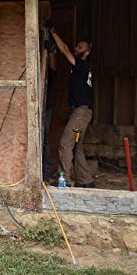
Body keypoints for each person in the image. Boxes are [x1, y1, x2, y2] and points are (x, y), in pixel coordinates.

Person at [46, 19, 96, 188]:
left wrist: (53, 32)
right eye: (77, 47)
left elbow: (65, 50)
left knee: (65, 143)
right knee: (76, 147)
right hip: (83, 112)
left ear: (87, 52)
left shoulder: (82, 65)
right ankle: (86, 180)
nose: (76, 49)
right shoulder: (82, 68)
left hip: (81, 113)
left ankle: (63, 180)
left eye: (80, 48)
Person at [42, 37, 58, 182]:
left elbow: (53, 67)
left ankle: (45, 175)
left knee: (44, 138)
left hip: (46, 106)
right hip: (38, 104)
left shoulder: (48, 70)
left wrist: (51, 52)